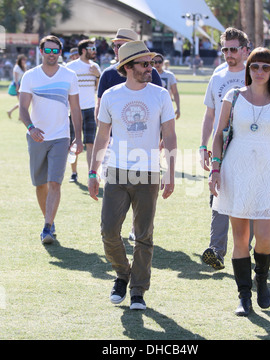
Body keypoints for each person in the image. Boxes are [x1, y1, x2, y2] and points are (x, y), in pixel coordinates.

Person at [88, 41, 177, 310]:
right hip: (116, 171)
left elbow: (170, 135)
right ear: (128, 67)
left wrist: (171, 172)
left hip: (148, 172)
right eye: (144, 64)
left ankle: (138, 290)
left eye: (151, 63)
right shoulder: (112, 95)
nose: (150, 68)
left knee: (143, 235)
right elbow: (102, 136)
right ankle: (123, 274)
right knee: (108, 231)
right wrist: (92, 171)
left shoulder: (161, 95)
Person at [210, 47, 270, 316]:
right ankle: (244, 296)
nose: (260, 71)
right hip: (236, 169)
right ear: (248, 69)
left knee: (264, 239)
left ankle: (261, 278)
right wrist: (214, 169)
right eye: (255, 66)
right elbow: (218, 134)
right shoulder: (233, 96)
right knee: (240, 238)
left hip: (267, 172)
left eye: (266, 67)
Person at [19, 35, 83, 244]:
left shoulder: (69, 75)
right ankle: (49, 220)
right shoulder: (30, 76)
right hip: (36, 137)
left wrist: (78, 138)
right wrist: (31, 128)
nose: (52, 54)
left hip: (61, 137)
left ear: (60, 53)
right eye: (48, 50)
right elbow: (22, 108)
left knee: (55, 182)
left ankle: (47, 227)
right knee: (40, 184)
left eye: (56, 51)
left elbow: (75, 108)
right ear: (41, 51)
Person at [199, 27, 250, 270]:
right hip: (221, 146)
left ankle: (245, 249)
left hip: (248, 147)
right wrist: (202, 145)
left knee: (246, 200)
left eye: (233, 49)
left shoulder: (255, 74)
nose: (228, 54)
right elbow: (209, 115)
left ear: (244, 50)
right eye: (224, 49)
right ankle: (216, 251)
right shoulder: (217, 76)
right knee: (217, 197)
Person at [66, 39, 101, 183]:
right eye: (91, 48)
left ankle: (91, 174)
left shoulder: (95, 66)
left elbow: (99, 89)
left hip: (90, 109)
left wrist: (98, 75)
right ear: (83, 50)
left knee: (90, 143)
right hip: (74, 110)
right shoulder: (70, 67)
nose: (94, 51)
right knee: (73, 143)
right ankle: (74, 173)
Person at [153, 53, 180, 120]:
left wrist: (178, 108)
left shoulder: (169, 75)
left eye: (159, 62)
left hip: (166, 106)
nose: (157, 64)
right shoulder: (148, 75)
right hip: (152, 105)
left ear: (163, 63)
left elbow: (175, 92)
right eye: (155, 62)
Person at [7, 54, 27, 119]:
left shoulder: (23, 67)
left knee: (21, 102)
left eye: (25, 59)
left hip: (22, 85)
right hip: (17, 85)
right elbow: (15, 78)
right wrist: (17, 87)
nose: (24, 61)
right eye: (23, 59)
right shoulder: (17, 67)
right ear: (20, 60)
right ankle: (19, 116)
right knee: (21, 102)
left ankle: (11, 112)